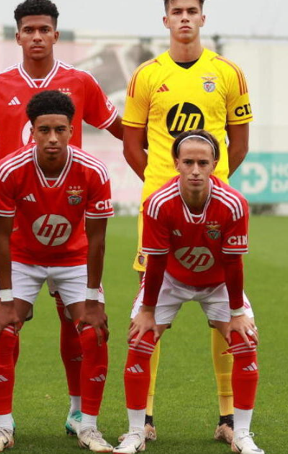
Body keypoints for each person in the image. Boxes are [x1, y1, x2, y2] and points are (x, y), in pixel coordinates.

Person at [0, 0, 122, 436]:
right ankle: (2, 421)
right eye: (29, 30)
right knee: (5, 325)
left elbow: (120, 127)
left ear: (56, 34)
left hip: (71, 230)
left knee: (77, 324)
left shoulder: (81, 81)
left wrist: (164, 158)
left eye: (44, 29)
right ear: (18, 36)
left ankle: (79, 413)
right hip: (16, 232)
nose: (37, 36)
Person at [121, 0, 253, 443]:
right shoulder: (145, 76)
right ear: (165, 20)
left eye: (191, 11)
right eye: (176, 11)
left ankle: (230, 417)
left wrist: (210, 187)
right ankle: (147, 418)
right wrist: (164, 188)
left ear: (202, 18)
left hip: (217, 214)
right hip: (160, 212)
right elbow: (131, 143)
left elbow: (238, 141)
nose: (183, 18)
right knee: (149, 307)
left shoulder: (229, 73)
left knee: (226, 307)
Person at [0, 90, 114, 453]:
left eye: (59, 130)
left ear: (72, 131)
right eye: (44, 130)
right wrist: (5, 299)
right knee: (4, 330)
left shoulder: (93, 170)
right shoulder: (10, 169)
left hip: (73, 258)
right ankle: (2, 426)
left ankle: (86, 423)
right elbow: (0, 238)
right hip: (22, 256)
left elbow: (97, 240)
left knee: (93, 333)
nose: (52, 138)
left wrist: (92, 299)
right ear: (32, 131)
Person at [113, 130, 262, 454]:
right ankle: (136, 432)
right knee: (139, 339)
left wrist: (237, 313)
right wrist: (148, 311)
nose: (195, 170)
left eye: (203, 162)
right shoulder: (158, 203)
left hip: (218, 282)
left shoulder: (234, 204)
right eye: (189, 162)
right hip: (170, 280)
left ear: (214, 165)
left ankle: (242, 435)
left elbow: (234, 263)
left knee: (246, 341)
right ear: (176, 164)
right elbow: (156, 262)